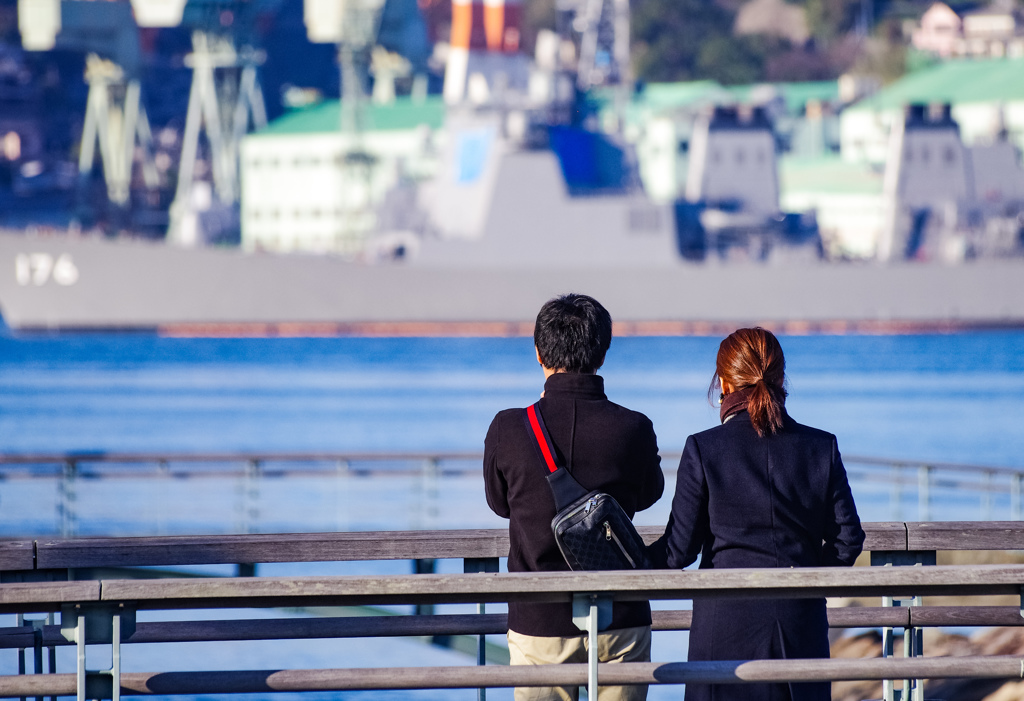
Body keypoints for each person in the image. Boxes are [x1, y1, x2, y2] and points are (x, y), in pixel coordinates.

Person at [649, 327, 864, 701]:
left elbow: (678, 552)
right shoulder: (820, 447)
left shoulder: (703, 449)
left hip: (723, 628)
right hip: (800, 626)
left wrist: (622, 559)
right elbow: (849, 539)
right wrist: (808, 578)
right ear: (781, 380)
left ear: (724, 385)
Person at [483, 293, 665, 701]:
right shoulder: (634, 427)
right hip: (621, 615)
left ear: (538, 353)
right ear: (602, 351)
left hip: (539, 621)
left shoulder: (508, 428)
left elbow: (499, 503)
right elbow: (651, 494)